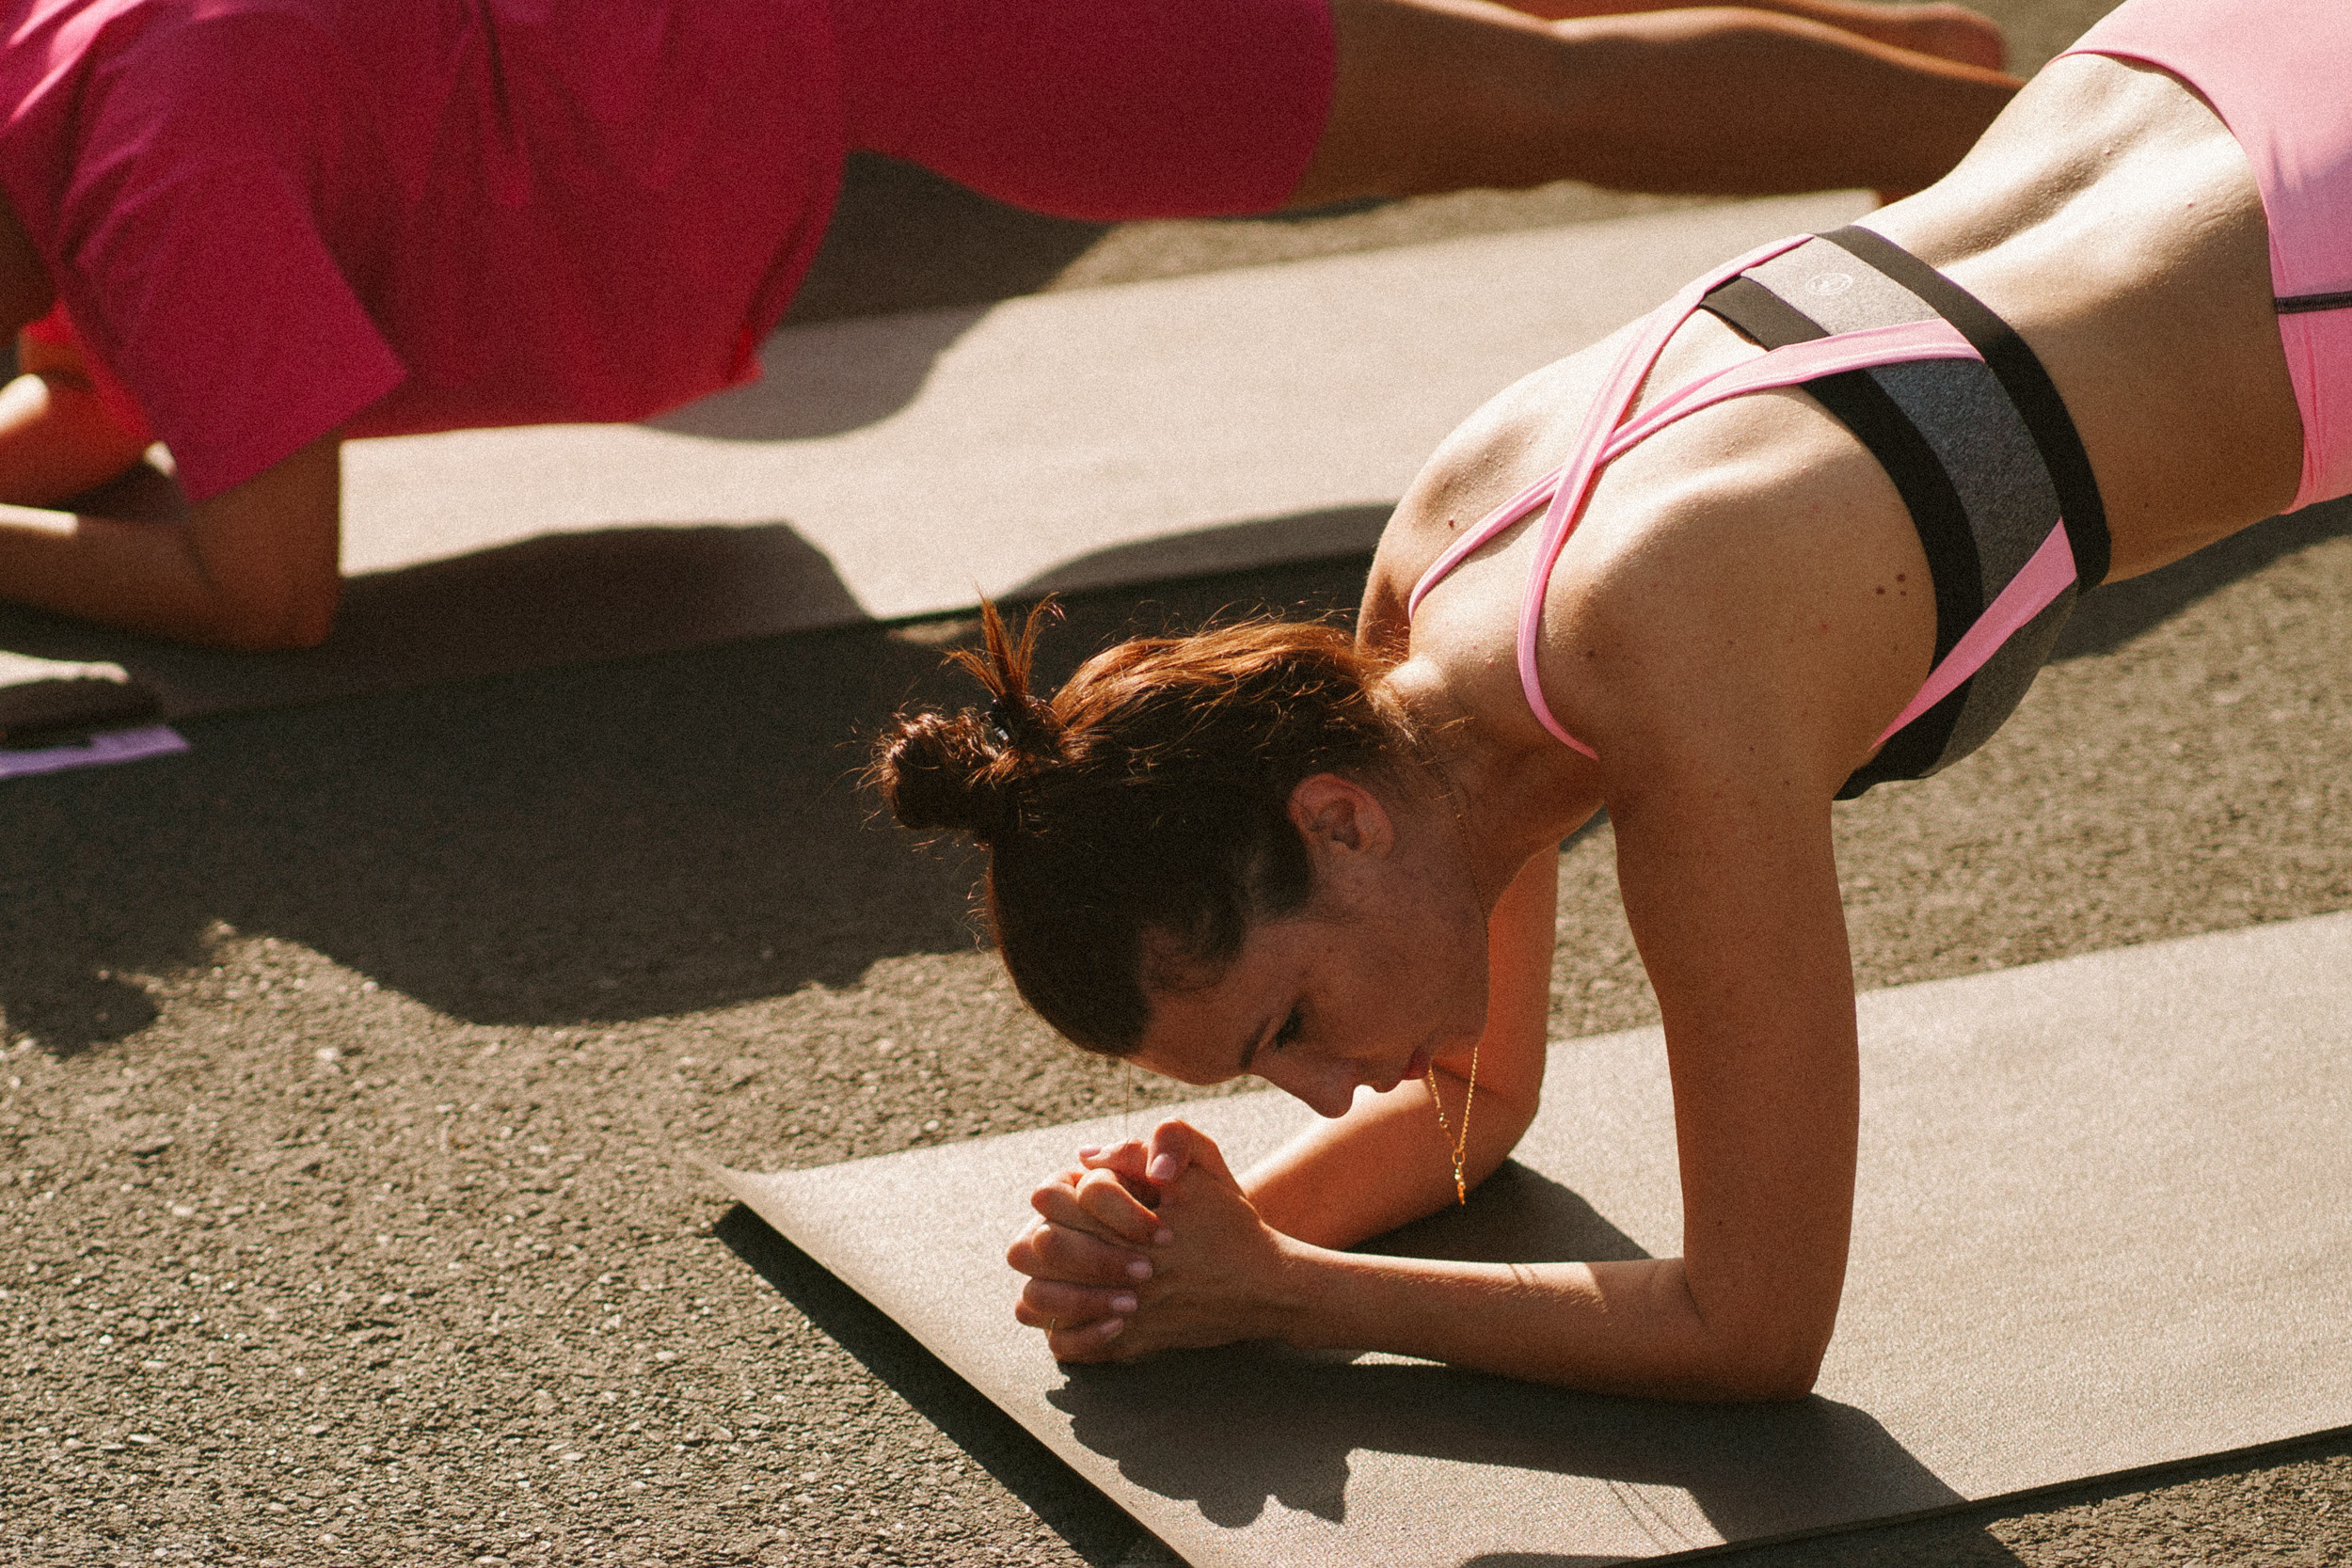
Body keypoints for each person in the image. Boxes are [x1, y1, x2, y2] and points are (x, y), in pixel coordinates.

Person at [870, 0, 2347, 1399]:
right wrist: (1177, 1249)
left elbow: (1751, 1326)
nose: (1330, 1096)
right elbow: (1472, 1115)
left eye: (1289, 1026)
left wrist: (1283, 1293)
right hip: (2212, 64)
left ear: (1338, 823)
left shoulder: (1669, 664)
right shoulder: (1435, 588)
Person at [0, 0, 2012, 652]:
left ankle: (2081, 156)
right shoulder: (61, 69)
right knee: (1441, 57)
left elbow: (265, 585)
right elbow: (100, 424)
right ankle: (1922, 77)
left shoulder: (138, 182)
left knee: (1502, 107)